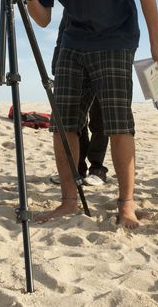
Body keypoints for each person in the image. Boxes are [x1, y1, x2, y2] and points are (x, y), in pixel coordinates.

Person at [20, 0, 158, 228]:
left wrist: (156, 41)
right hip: (72, 41)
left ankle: (126, 204)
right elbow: (43, 19)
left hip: (115, 39)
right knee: (63, 125)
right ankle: (70, 201)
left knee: (119, 126)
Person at [50, 11, 109, 186]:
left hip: (103, 58)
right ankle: (76, 168)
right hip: (71, 59)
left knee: (99, 119)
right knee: (74, 120)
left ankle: (97, 169)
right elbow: (63, 31)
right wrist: (57, 61)